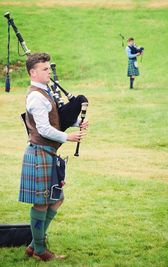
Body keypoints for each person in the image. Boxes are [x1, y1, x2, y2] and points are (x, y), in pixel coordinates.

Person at [19, 53, 88, 261]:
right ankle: (40, 250)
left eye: (49, 68)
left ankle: (34, 245)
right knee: (41, 203)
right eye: (45, 69)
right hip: (39, 153)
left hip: (48, 154)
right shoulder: (35, 97)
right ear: (33, 72)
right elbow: (44, 128)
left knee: (56, 199)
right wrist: (68, 136)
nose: (49, 72)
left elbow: (56, 118)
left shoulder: (46, 91)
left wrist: (77, 123)